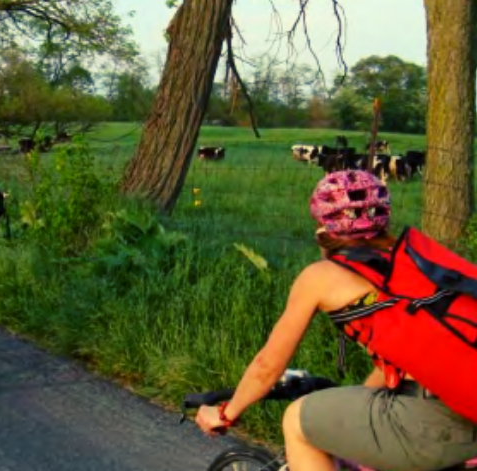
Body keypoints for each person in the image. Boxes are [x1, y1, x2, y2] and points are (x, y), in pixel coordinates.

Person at [194, 170, 477, 471]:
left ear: (323, 228)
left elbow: (267, 366)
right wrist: (365, 399)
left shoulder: (321, 277)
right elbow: (415, 353)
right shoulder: (414, 264)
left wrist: (225, 414)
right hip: (461, 411)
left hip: (437, 423)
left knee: (297, 421)